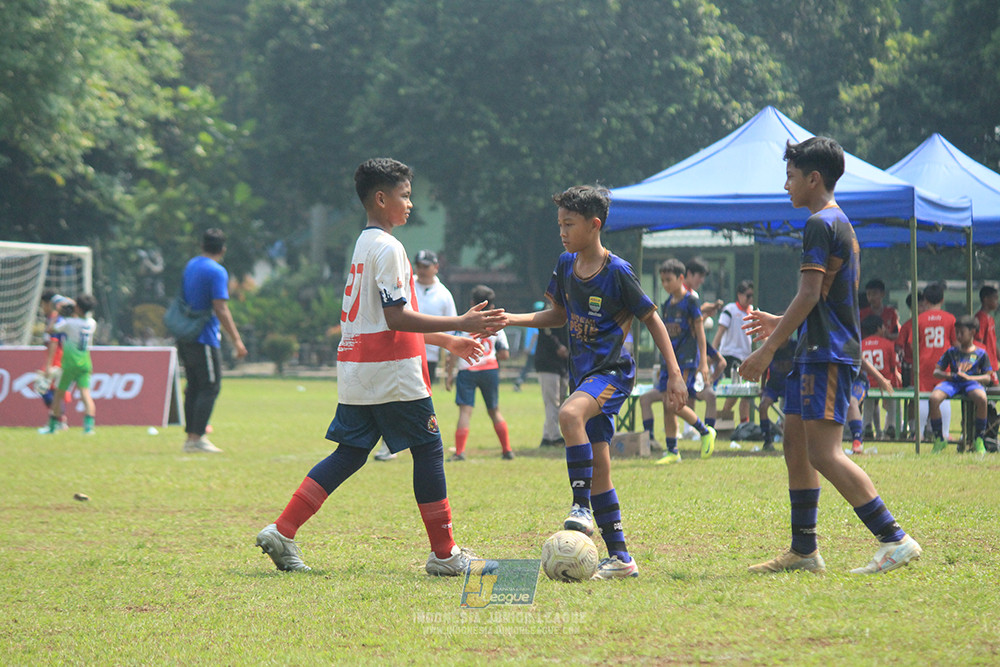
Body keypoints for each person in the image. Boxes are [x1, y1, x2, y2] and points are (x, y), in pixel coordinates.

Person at [255, 157, 504, 576]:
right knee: (428, 449)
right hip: (391, 372)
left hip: (359, 368)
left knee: (351, 453)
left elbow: (379, 318)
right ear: (381, 198)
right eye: (405, 196)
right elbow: (396, 318)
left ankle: (283, 530)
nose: (410, 204)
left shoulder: (365, 243)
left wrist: (447, 340)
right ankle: (445, 554)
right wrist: (460, 321)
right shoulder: (389, 248)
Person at [739, 136, 921, 575]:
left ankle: (895, 538)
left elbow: (807, 295)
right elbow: (818, 295)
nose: (786, 186)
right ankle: (804, 551)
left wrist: (767, 349)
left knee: (824, 453)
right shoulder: (836, 222)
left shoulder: (820, 223)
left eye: (791, 177)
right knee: (796, 445)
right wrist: (780, 320)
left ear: (813, 178)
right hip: (816, 350)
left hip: (828, 354)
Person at [501, 184, 686, 579]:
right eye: (559, 224)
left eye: (569, 224)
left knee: (569, 415)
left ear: (594, 224)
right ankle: (621, 558)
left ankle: (580, 507)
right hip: (583, 376)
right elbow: (556, 315)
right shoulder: (566, 265)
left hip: (612, 373)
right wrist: (511, 319)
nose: (563, 232)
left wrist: (675, 373)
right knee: (600, 467)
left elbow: (651, 317)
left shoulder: (617, 271)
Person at [373, 248, 458, 461]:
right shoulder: (405, 284)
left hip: (426, 357)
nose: (422, 270)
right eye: (419, 266)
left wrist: (450, 368)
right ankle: (389, 444)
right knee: (393, 397)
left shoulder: (444, 295)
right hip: (400, 351)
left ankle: (421, 444)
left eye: (426, 266)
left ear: (436, 267)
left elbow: (452, 333)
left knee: (416, 402)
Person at [177, 228, 248, 454]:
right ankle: (196, 439)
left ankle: (191, 437)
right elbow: (220, 307)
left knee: (194, 386)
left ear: (202, 246)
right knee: (210, 386)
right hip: (203, 336)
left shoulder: (191, 265)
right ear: (223, 249)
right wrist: (236, 340)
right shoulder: (217, 271)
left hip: (185, 334)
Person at [639, 258, 714, 464]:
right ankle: (673, 451)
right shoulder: (665, 305)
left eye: (668, 280)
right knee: (666, 403)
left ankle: (705, 431)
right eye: (662, 280)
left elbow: (700, 333)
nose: (665, 284)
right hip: (668, 361)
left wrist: (704, 362)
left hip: (686, 360)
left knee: (675, 402)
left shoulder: (691, 302)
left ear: (681, 278)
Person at [445, 284, 512, 461]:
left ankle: (460, 452)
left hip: (467, 371)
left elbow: (453, 350)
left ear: (472, 302)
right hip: (490, 371)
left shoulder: (464, 323)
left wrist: (449, 374)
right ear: (491, 304)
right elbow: (504, 354)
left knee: (465, 412)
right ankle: (507, 450)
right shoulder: (497, 325)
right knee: (494, 410)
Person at [928, 315, 993, 455]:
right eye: (956, 332)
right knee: (934, 398)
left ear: (972, 332)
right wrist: (949, 376)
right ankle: (939, 439)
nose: (958, 335)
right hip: (953, 382)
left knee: (982, 398)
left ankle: (979, 439)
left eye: (961, 332)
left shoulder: (981, 353)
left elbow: (988, 377)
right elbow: (936, 372)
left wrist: (970, 377)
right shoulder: (951, 352)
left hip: (971, 383)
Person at [45, 295, 97, 435]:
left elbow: (50, 330)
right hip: (85, 363)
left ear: (78, 307)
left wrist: (58, 314)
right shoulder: (92, 323)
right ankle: (88, 428)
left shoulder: (69, 323)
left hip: (69, 364)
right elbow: (80, 315)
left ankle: (52, 427)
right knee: (86, 394)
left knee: (58, 395)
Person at [858, 278, 899, 439]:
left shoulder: (890, 313)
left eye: (874, 293)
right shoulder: (862, 314)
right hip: (881, 371)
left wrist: (888, 336)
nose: (871, 297)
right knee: (884, 394)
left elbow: (897, 333)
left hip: (876, 364)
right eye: (868, 294)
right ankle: (890, 426)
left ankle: (868, 426)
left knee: (870, 395)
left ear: (882, 294)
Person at [915, 282, 956, 441]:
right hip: (943, 363)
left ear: (925, 299)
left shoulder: (920, 319)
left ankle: (919, 433)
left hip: (924, 362)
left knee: (924, 396)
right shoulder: (950, 318)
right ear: (942, 299)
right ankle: (945, 433)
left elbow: (913, 343)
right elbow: (955, 342)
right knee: (943, 395)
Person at [714, 279, 755, 426]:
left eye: (752, 296)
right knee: (736, 391)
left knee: (746, 393)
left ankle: (744, 425)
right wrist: (712, 354)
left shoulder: (753, 311)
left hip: (746, 357)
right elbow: (719, 333)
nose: (750, 299)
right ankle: (723, 419)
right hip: (730, 356)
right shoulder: (730, 310)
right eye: (747, 295)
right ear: (739, 294)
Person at [860, 315, 901, 443]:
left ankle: (866, 425)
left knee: (868, 401)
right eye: (883, 327)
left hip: (867, 384)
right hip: (885, 384)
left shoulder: (861, 344)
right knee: (893, 400)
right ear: (878, 328)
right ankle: (891, 426)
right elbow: (893, 367)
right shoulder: (888, 344)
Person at [37, 290, 71, 432]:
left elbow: (54, 343)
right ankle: (59, 421)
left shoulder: (56, 319)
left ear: (48, 304)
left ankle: (59, 421)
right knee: (53, 391)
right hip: (59, 359)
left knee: (45, 389)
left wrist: (49, 365)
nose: (42, 308)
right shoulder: (57, 319)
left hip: (57, 360)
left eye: (43, 304)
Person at [534, 315, 569, 448]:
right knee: (552, 401)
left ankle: (547, 436)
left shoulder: (572, 308)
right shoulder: (548, 309)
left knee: (559, 402)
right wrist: (558, 346)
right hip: (547, 363)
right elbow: (546, 332)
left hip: (563, 364)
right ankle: (555, 437)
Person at [895, 290, 925, 438]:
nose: (923, 307)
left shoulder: (928, 322)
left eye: (923, 303)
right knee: (913, 399)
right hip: (912, 368)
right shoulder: (909, 325)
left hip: (927, 367)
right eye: (919, 304)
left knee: (929, 397)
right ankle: (913, 428)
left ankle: (929, 428)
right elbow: (903, 345)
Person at [759, 337, 796, 452]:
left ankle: (793, 441)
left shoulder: (795, 346)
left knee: (792, 414)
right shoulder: (772, 346)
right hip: (774, 385)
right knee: (763, 406)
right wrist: (762, 387)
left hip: (790, 384)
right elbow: (764, 367)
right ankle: (767, 441)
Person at [513, 302, 544, 392]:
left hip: (532, 350)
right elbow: (535, 336)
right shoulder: (538, 322)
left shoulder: (530, 321)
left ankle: (519, 382)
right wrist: (530, 348)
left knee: (528, 368)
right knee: (536, 368)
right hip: (535, 350)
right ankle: (519, 382)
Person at [974, 285, 999, 378]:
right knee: (996, 389)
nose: (997, 302)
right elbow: (978, 343)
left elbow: (993, 342)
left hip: (992, 364)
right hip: (985, 365)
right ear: (986, 299)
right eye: (995, 298)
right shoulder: (980, 318)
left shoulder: (990, 318)